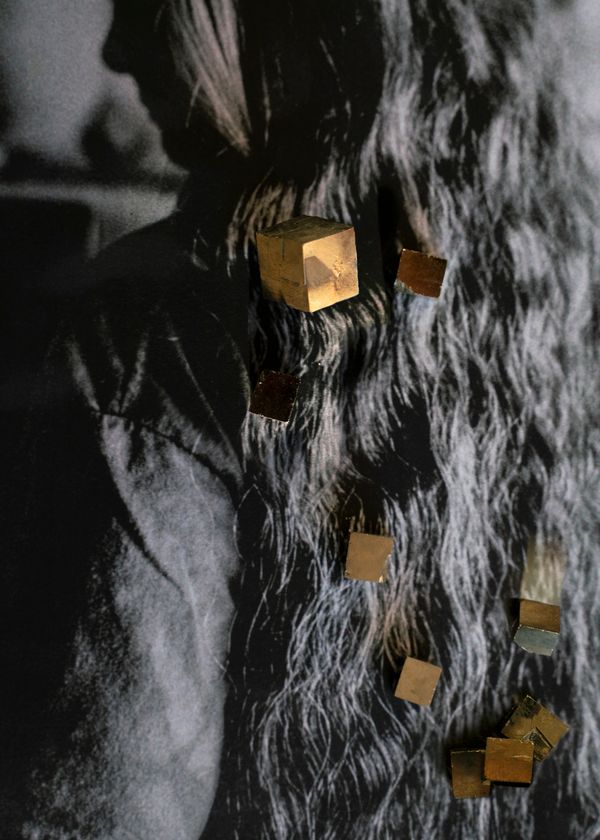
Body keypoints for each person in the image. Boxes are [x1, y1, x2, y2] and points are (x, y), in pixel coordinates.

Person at [2, 0, 598, 838]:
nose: (117, 49)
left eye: (150, 4)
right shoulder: (548, 279)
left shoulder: (161, 332)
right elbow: (546, 726)